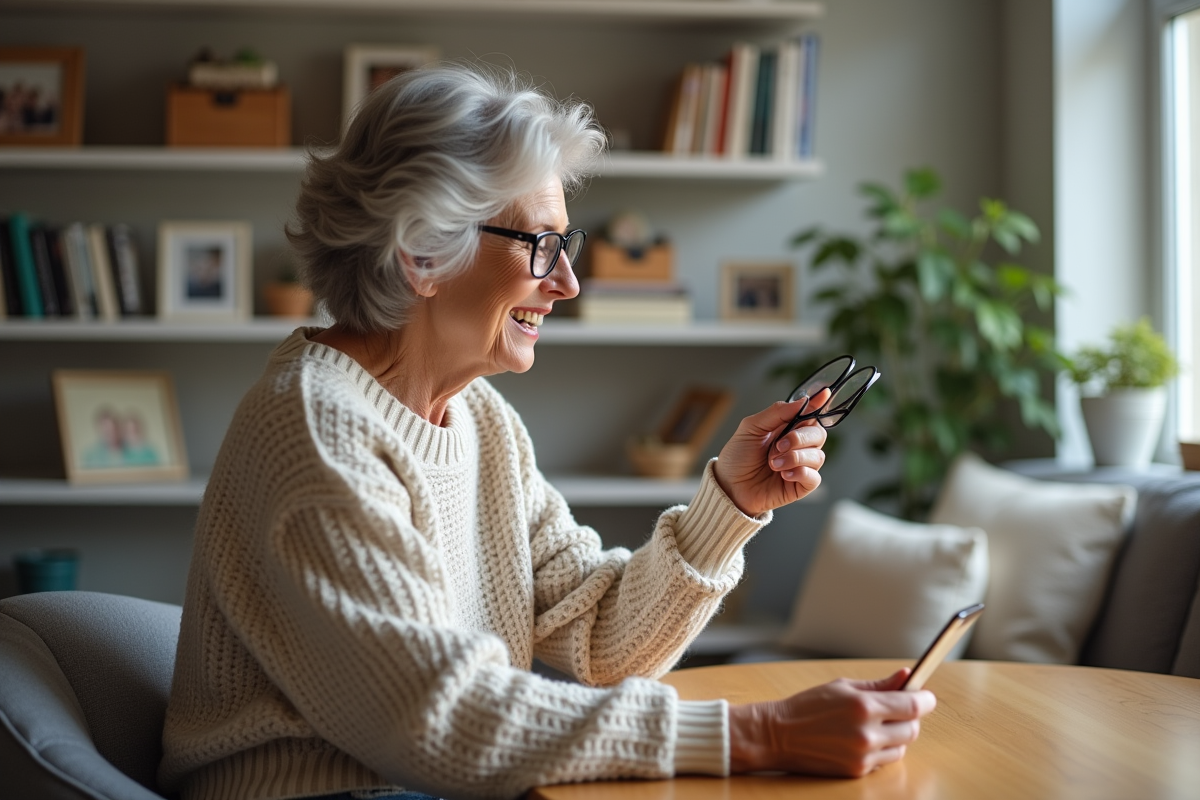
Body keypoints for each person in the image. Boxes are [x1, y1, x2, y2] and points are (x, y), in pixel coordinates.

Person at [158, 64, 934, 800]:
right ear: (424, 254)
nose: (566, 282)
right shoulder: (316, 428)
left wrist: (729, 502)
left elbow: (598, 637)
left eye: (568, 245)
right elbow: (439, 717)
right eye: (541, 245)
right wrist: (759, 734)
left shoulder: (481, 421)